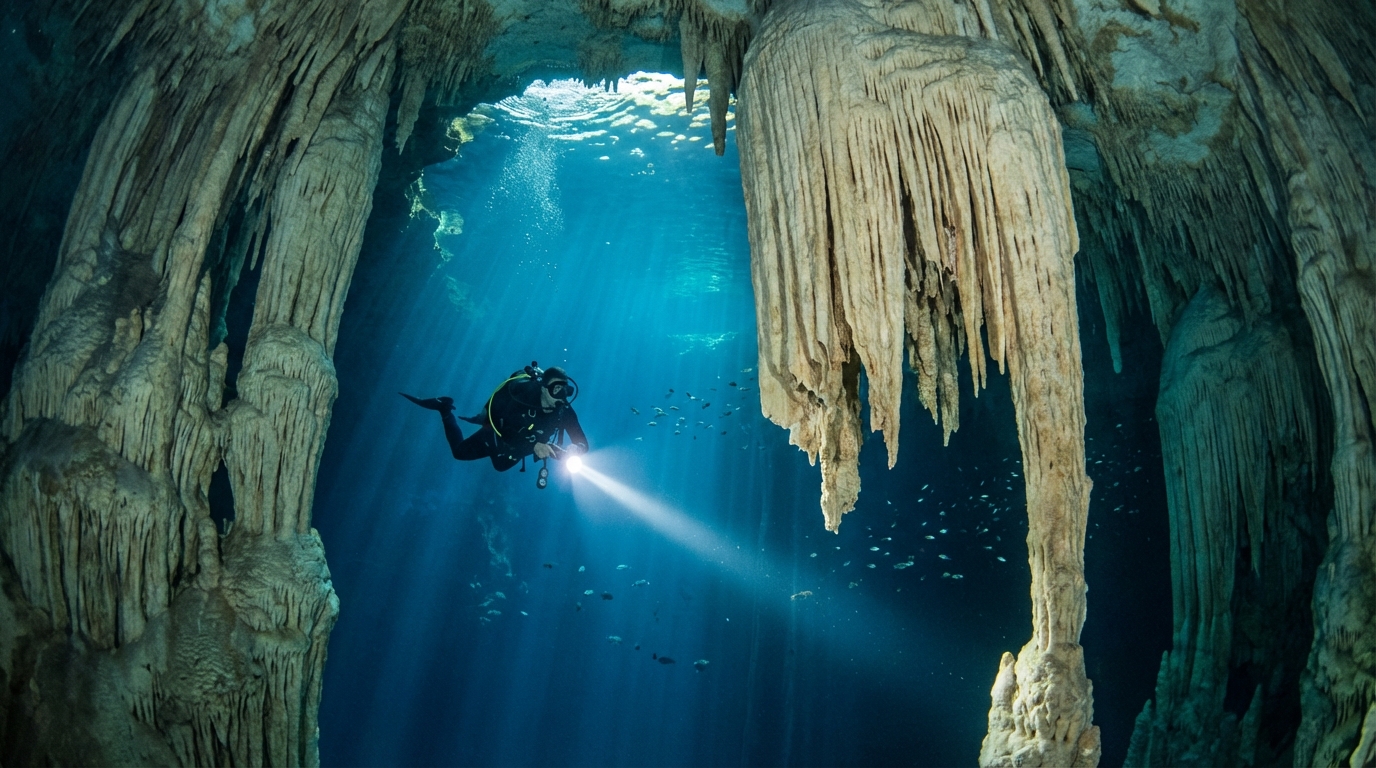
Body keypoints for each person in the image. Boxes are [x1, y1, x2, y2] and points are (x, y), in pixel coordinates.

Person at [402, 363, 588, 487]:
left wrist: (576, 449)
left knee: (499, 466)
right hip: (497, 435)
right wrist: (534, 445)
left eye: (565, 391)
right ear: (543, 387)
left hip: (520, 449)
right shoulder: (523, 397)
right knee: (459, 453)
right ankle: (444, 408)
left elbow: (583, 443)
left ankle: (500, 454)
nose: (561, 396)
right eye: (556, 390)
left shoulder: (564, 412)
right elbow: (503, 427)